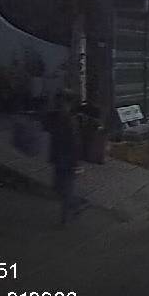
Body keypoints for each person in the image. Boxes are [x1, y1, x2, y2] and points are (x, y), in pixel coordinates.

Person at [45, 89, 82, 224]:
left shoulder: (70, 121)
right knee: (58, 187)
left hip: (67, 159)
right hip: (59, 157)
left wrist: (75, 162)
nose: (60, 105)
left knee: (66, 188)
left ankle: (65, 217)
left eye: (62, 102)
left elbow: (75, 143)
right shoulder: (56, 117)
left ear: (68, 104)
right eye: (58, 102)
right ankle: (75, 204)